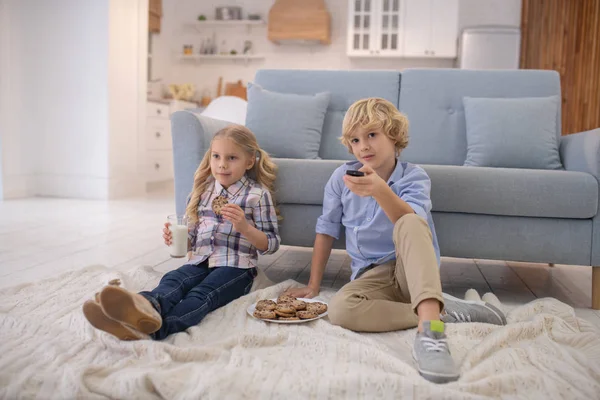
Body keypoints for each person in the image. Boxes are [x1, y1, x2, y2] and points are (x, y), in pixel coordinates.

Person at [285, 98, 505, 384]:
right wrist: (313, 285)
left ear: (394, 135)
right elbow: (326, 230)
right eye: (355, 139)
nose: (363, 145)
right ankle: (440, 312)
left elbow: (411, 224)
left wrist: (380, 191)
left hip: (410, 272)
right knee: (339, 310)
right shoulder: (341, 179)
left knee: (411, 220)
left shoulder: (414, 176)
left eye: (372, 135)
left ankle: (431, 333)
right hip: (372, 277)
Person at [83, 125, 281, 341]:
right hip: (200, 260)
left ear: (249, 161)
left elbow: (270, 244)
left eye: (232, 157)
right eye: (216, 156)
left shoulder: (256, 196)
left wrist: (245, 227)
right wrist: (180, 240)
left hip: (237, 267)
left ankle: (157, 329)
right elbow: (193, 241)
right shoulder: (203, 192)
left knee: (201, 294)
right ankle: (138, 310)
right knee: (173, 280)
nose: (222, 164)